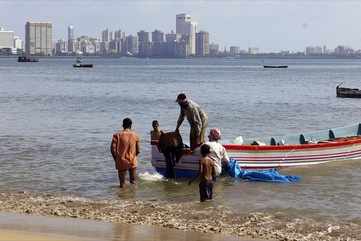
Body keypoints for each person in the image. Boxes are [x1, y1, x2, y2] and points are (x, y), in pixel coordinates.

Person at [111, 118, 140, 188]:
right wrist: (133, 157)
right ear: (131, 125)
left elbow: (112, 149)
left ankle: (123, 198)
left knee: (122, 184)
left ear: (123, 125)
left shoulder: (117, 135)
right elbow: (138, 150)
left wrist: (116, 159)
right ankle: (133, 197)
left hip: (121, 160)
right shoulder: (135, 135)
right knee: (133, 181)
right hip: (132, 160)